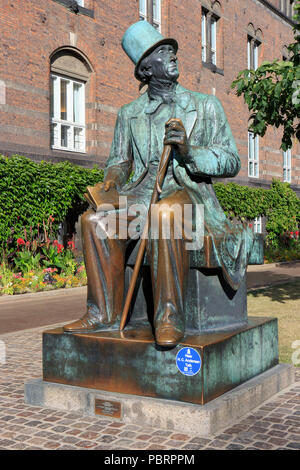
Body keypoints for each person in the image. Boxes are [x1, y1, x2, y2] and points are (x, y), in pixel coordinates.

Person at [63, 21, 252, 346]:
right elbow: (119, 162)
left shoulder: (205, 106)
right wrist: (111, 181)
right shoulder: (129, 114)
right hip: (139, 197)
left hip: (188, 197)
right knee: (94, 221)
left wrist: (190, 153)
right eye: (164, 52)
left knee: (165, 215)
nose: (173, 55)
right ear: (146, 69)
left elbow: (231, 160)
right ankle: (103, 314)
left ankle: (168, 317)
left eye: (172, 50)